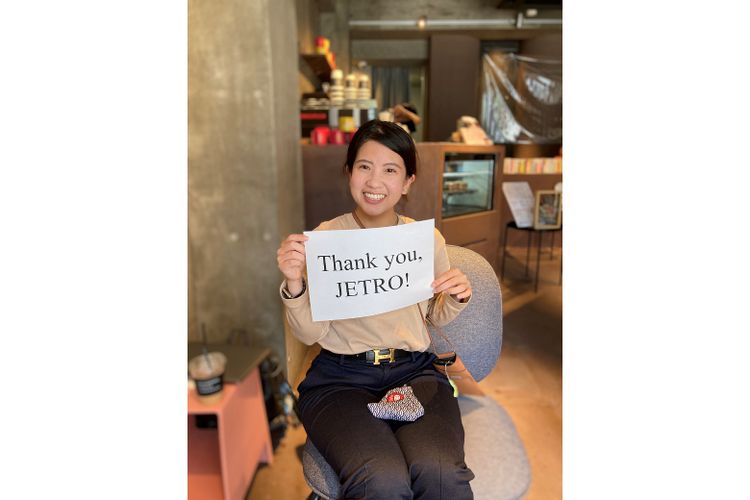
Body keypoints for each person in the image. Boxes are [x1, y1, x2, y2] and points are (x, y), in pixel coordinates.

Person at [276, 119, 475, 499]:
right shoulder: (325, 239)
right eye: (364, 166)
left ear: (408, 181)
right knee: (380, 480)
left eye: (390, 170)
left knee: (441, 473)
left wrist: (456, 295)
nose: (374, 181)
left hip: (414, 372)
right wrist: (294, 283)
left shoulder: (424, 239)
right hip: (340, 379)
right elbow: (311, 333)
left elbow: (433, 316)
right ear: (349, 172)